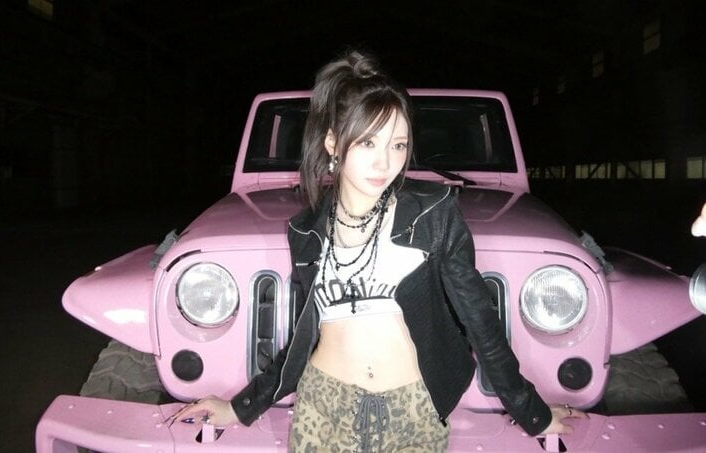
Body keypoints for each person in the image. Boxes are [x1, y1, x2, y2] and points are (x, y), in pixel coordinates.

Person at [175, 50, 586, 451]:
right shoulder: (306, 231)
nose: (385, 163)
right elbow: (304, 338)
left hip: (413, 412)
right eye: (368, 143)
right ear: (333, 143)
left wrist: (531, 412)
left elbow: (480, 319)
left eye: (398, 145)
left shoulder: (433, 214)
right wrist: (240, 407)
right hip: (323, 409)